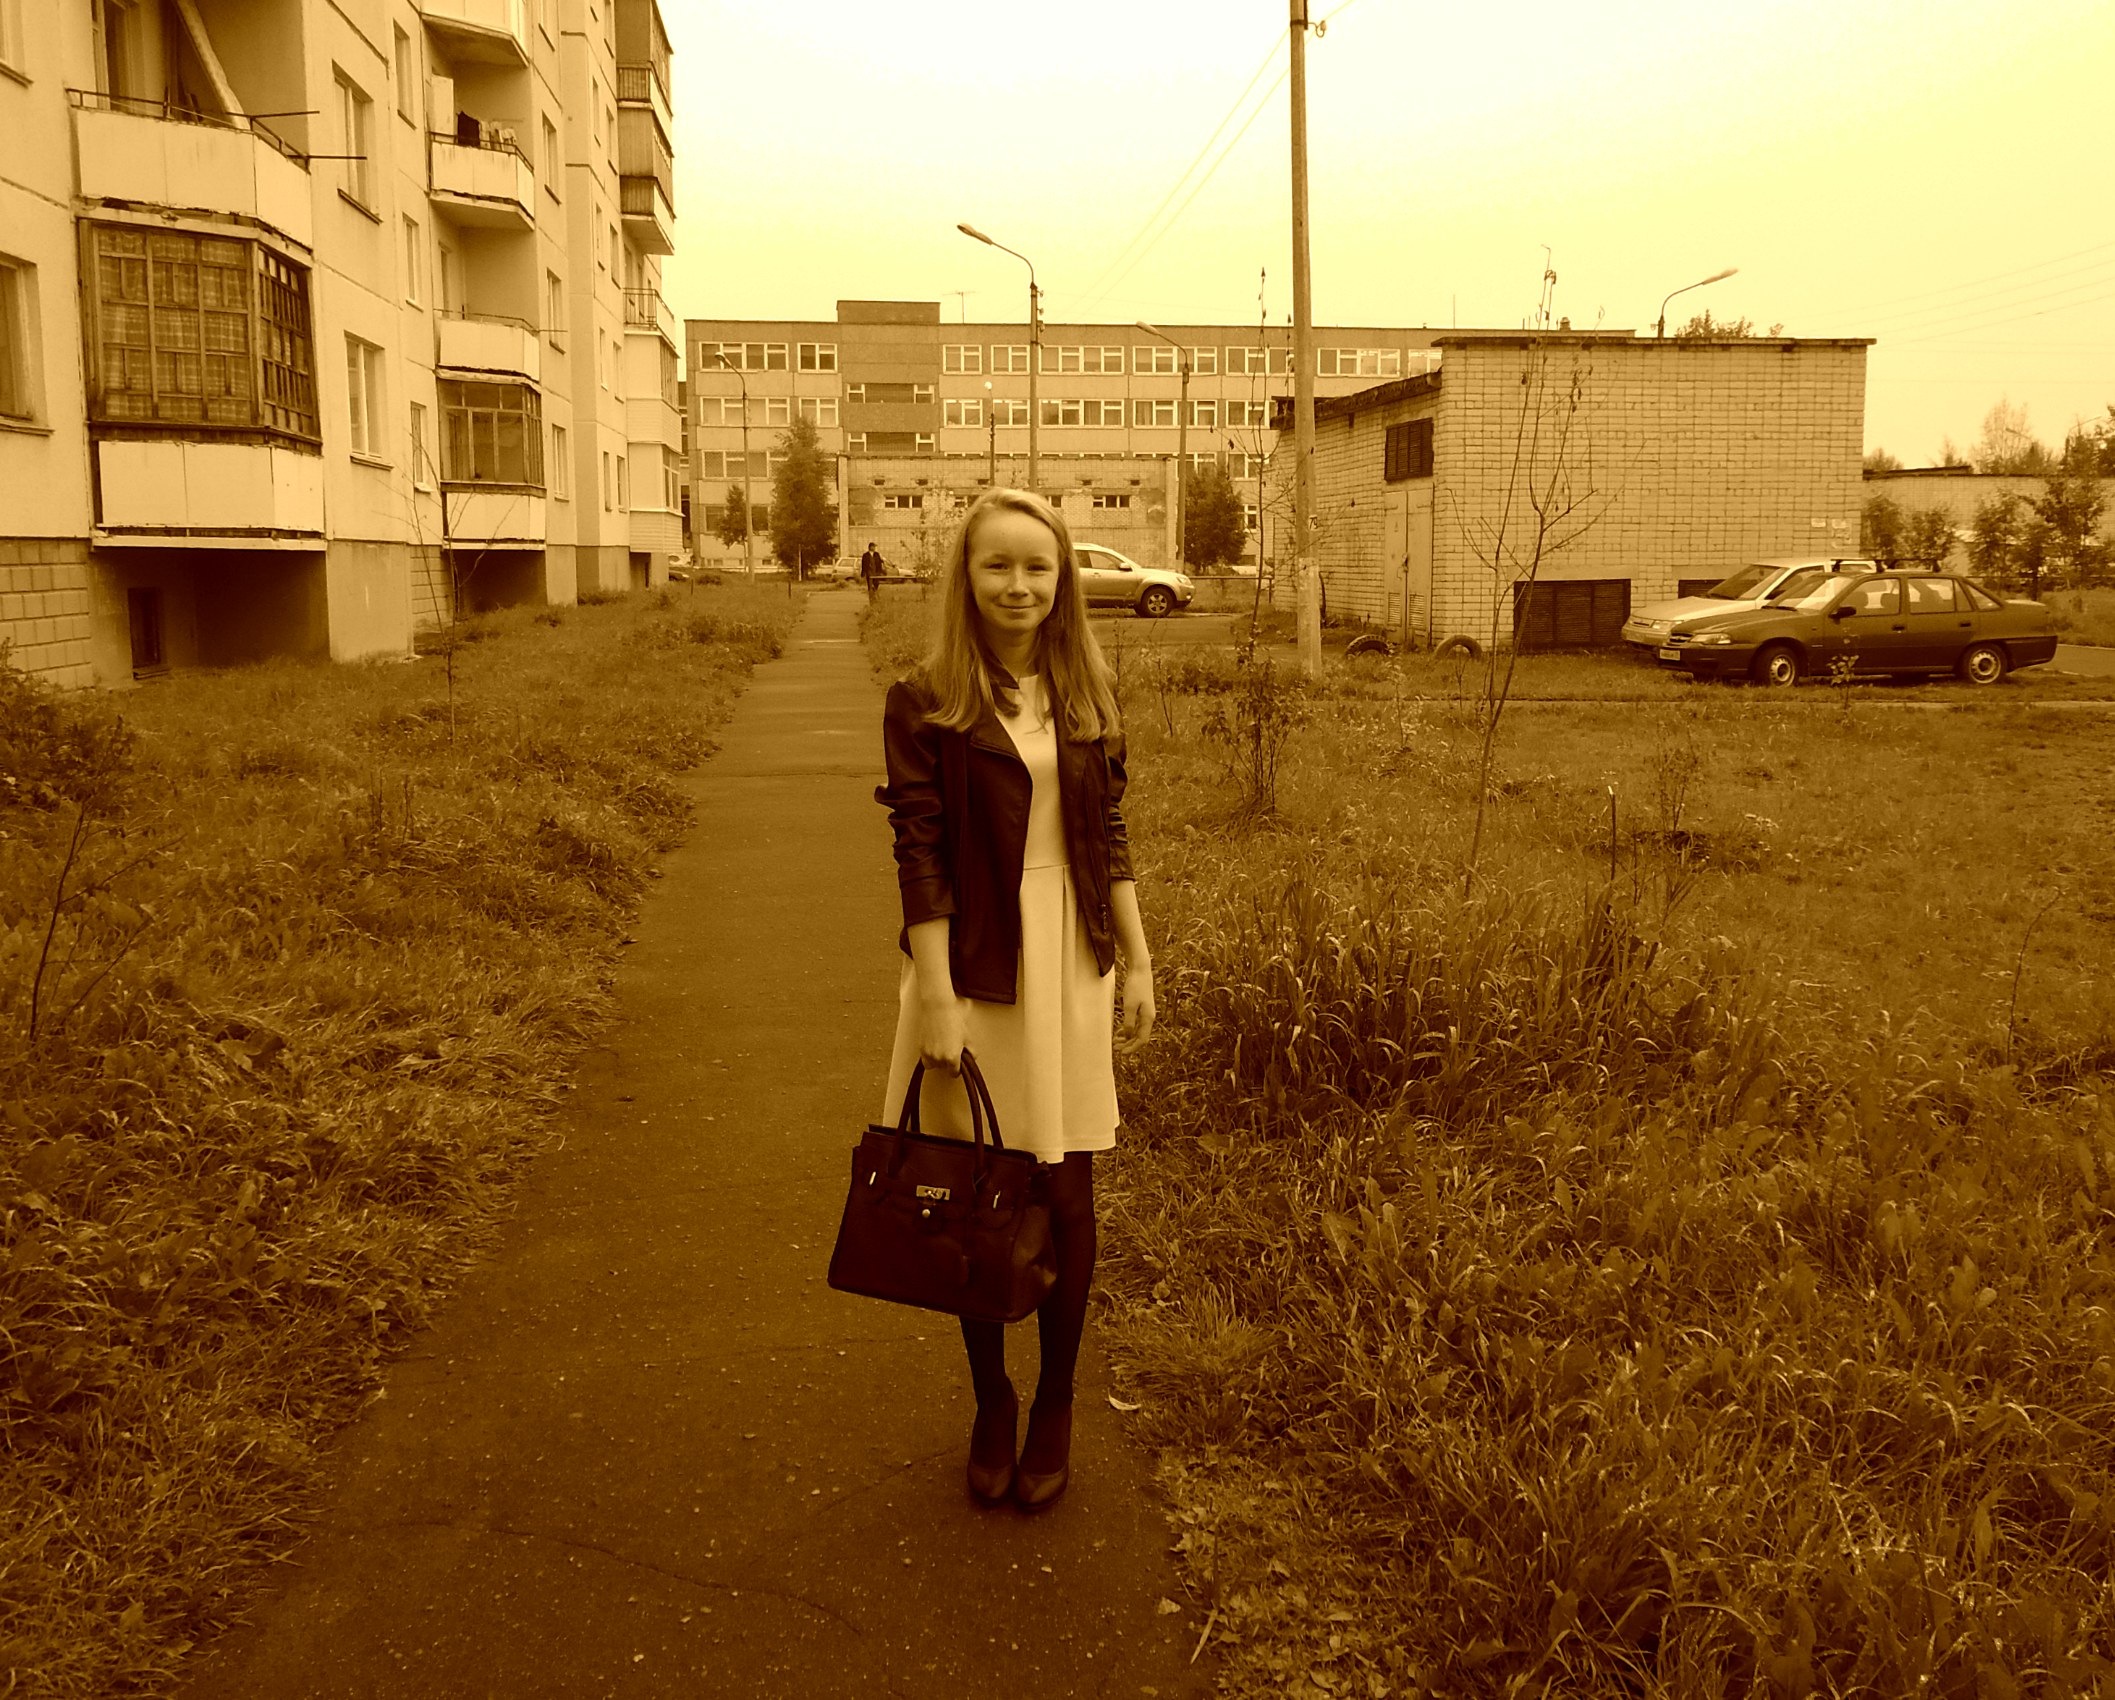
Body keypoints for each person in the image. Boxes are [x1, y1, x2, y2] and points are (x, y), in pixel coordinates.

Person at [875, 487, 1155, 1512]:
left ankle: (1056, 1401)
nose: (1019, 585)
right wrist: (937, 994)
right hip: (975, 965)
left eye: (1038, 566)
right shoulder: (926, 699)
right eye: (997, 564)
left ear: (1063, 577)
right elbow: (919, 851)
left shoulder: (1086, 690)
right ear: (966, 575)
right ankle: (991, 1396)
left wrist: (1138, 960)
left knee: (1067, 1193)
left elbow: (1106, 837)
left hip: (1070, 966)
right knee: (975, 1192)